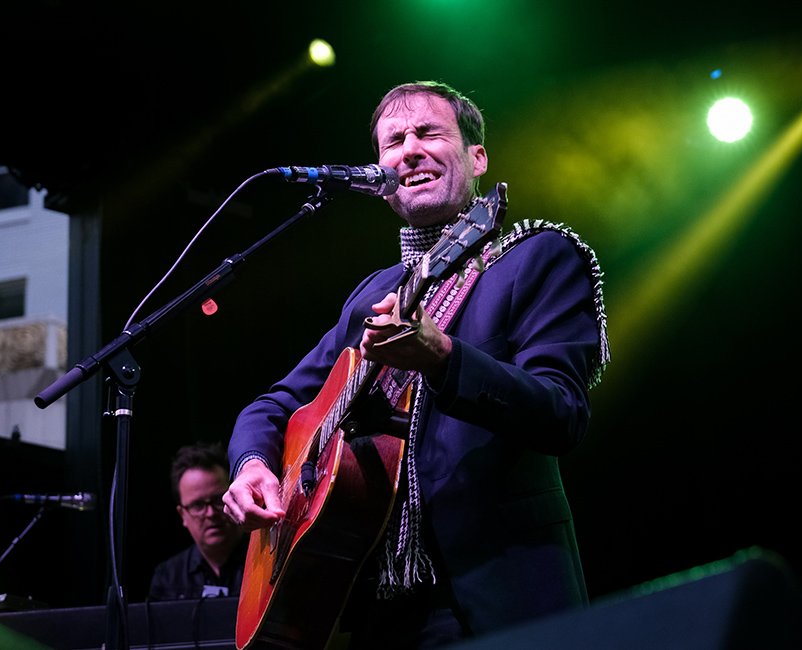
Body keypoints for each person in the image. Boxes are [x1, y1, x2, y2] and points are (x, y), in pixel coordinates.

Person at [223, 81, 609, 648]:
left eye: (429, 133)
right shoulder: (375, 295)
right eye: (393, 141)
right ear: (380, 177)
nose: (408, 149)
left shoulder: (538, 256)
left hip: (499, 592)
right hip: (374, 603)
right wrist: (252, 465)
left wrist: (443, 358)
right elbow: (275, 404)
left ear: (477, 157)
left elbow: (562, 413)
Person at [148, 442, 246, 601]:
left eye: (218, 499)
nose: (210, 513)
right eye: (197, 505)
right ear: (182, 515)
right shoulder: (168, 577)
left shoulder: (267, 560)